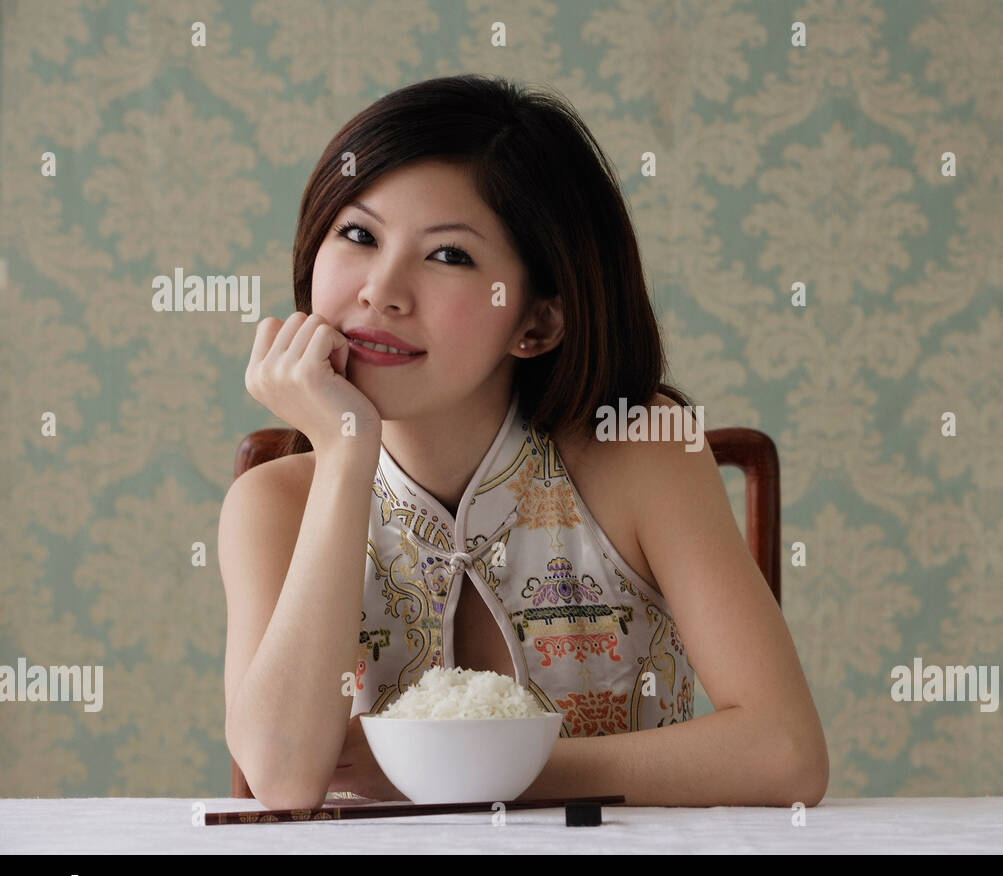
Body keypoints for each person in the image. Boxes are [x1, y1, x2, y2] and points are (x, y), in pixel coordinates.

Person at [221, 74, 828, 809]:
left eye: (448, 256)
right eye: (358, 235)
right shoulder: (273, 503)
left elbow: (784, 752)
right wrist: (346, 454)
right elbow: (282, 780)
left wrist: (471, 777)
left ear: (537, 322)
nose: (381, 290)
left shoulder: (643, 456)